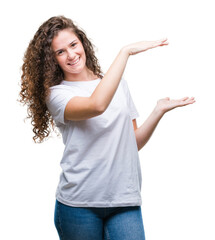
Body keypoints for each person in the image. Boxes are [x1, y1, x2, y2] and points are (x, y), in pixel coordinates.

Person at [19, 15, 195, 240]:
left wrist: (158, 111)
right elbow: (96, 105)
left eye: (73, 45)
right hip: (78, 203)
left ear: (82, 43)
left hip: (124, 199)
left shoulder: (117, 85)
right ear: (52, 60)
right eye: (60, 52)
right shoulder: (57, 94)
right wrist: (125, 52)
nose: (71, 55)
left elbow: (133, 142)